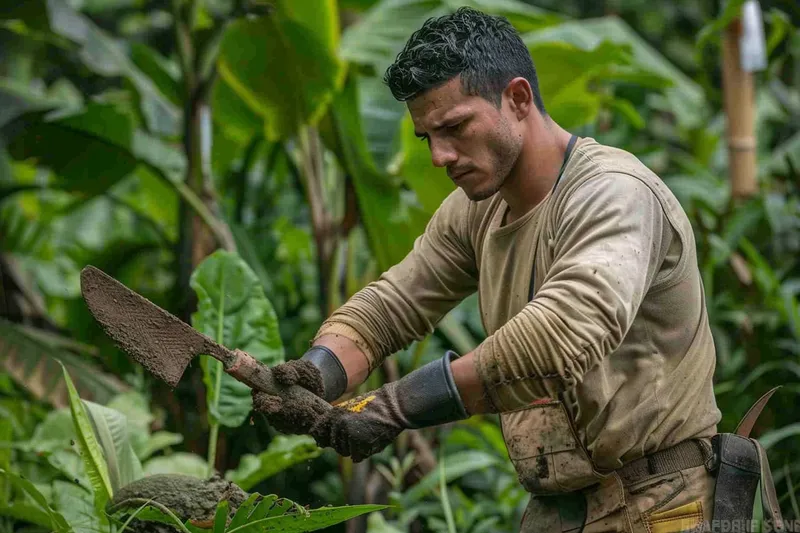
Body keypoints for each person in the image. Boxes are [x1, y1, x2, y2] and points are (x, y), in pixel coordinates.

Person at [252, 7, 724, 532]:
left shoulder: (613, 193)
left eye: (454, 127)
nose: (439, 156)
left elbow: (561, 335)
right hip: (558, 510)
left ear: (518, 99)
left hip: (661, 502)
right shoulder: (477, 207)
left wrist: (393, 406)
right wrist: (313, 375)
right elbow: (393, 305)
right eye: (426, 137)